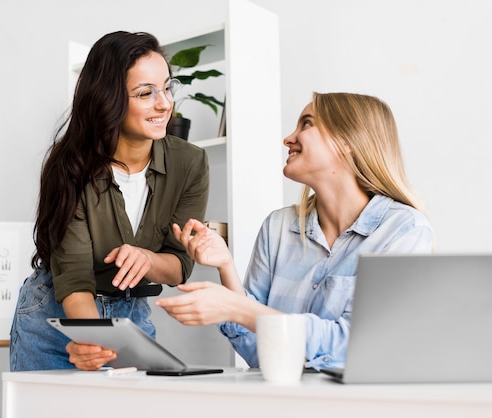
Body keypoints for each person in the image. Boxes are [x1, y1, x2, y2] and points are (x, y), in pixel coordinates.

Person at [155, 92, 434, 370]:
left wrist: (236, 308)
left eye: (307, 124)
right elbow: (258, 354)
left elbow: (360, 347)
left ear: (348, 140)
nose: (288, 138)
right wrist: (226, 266)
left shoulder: (403, 230)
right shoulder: (277, 228)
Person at [9, 31, 209, 371]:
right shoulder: (69, 167)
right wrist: (91, 338)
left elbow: (179, 267)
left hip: (130, 317)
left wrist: (147, 259)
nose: (164, 104)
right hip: (58, 315)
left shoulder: (189, 163)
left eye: (166, 87)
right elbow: (73, 277)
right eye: (146, 93)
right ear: (109, 99)